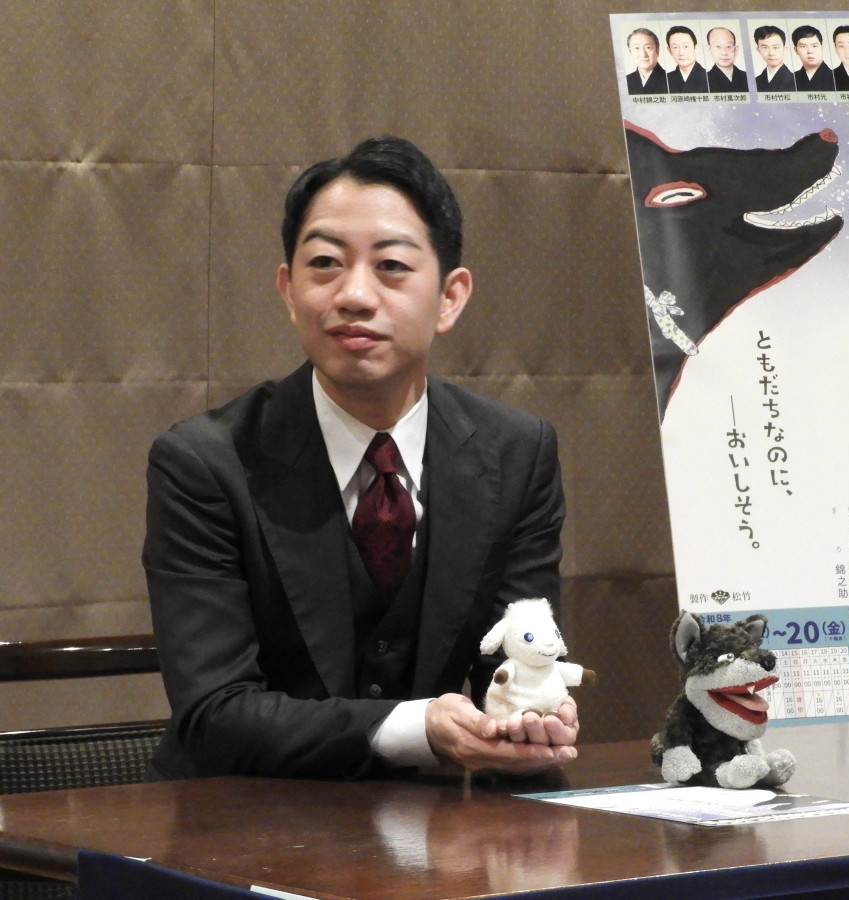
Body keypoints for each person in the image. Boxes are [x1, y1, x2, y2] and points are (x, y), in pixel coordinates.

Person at [142, 135, 576, 780]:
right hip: (240, 814)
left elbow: (512, 661)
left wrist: (529, 715)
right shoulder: (205, 462)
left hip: (432, 821)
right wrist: (418, 728)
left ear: (450, 296)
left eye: (392, 266)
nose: (354, 295)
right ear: (288, 291)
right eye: (325, 263)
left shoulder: (516, 452)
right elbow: (213, 713)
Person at [753, 24, 797, 92]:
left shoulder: (796, 81)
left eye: (775, 47)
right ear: (758, 50)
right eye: (765, 47)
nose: (771, 53)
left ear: (785, 49)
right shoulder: (754, 82)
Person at [665, 25, 708, 93]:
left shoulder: (709, 77)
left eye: (686, 46)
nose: (681, 53)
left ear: (695, 48)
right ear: (669, 50)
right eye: (675, 47)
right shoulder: (665, 80)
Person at [626, 27, 668, 95]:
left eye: (648, 47)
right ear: (630, 52)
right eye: (636, 48)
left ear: (657, 50)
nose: (643, 54)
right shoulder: (626, 81)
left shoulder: (670, 80)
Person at [791, 25, 834, 91]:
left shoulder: (835, 78)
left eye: (814, 46)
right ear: (796, 50)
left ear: (822, 48)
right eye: (803, 46)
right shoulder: (791, 79)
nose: (809, 51)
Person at [706, 26, 748, 92]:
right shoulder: (703, 80)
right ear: (709, 50)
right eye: (718, 46)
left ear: (736, 50)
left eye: (728, 46)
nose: (724, 52)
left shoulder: (748, 77)